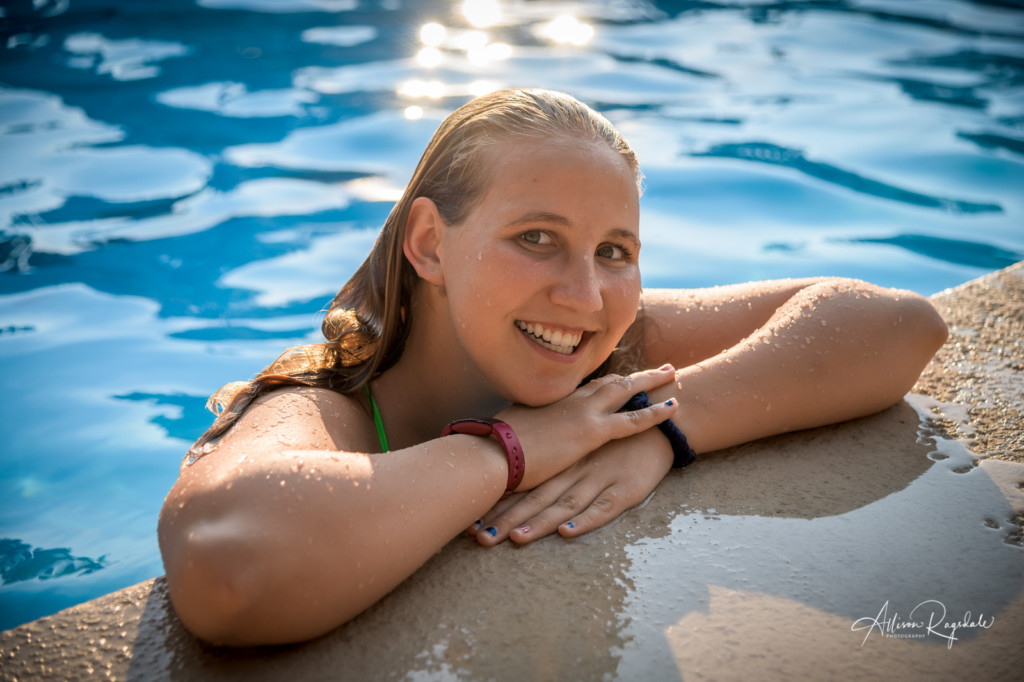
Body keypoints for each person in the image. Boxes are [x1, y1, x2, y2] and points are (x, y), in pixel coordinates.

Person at [158, 88, 948, 646]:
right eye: (536, 237)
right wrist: (512, 449)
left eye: (614, 251)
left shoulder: (612, 337)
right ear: (431, 243)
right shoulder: (331, 403)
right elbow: (229, 566)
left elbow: (898, 324)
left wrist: (659, 433)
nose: (584, 293)